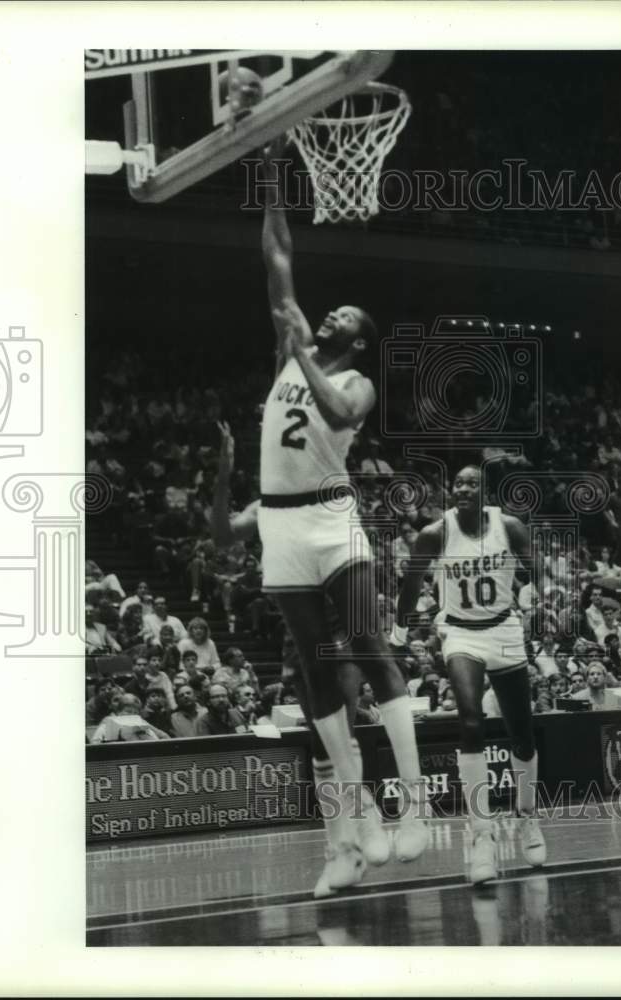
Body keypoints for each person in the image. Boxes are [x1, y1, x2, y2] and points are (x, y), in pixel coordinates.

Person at [255, 143, 429, 890]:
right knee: (310, 665)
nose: (330, 312)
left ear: (356, 339)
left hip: (333, 522)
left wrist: (301, 353)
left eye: (345, 315)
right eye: (332, 309)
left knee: (366, 642)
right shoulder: (292, 348)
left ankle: (415, 802)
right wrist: (271, 176)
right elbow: (278, 257)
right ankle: (357, 815)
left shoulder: (356, 382)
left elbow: (332, 410)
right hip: (280, 526)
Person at [210, 419, 390, 898]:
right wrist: (223, 475)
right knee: (319, 742)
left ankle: (359, 825)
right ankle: (343, 847)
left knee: (340, 730)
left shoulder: (331, 494)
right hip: (298, 631)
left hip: (341, 625)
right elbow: (223, 536)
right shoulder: (266, 508)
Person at [395, 464, 547, 886]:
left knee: (522, 733)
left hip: (504, 629)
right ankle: (481, 833)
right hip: (460, 633)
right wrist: (397, 632)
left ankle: (527, 815)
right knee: (470, 720)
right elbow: (411, 583)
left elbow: (536, 570)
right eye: (458, 483)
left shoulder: (509, 527)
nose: (462, 488)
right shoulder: (435, 534)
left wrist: (532, 593)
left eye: (471, 483)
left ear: (485, 492)